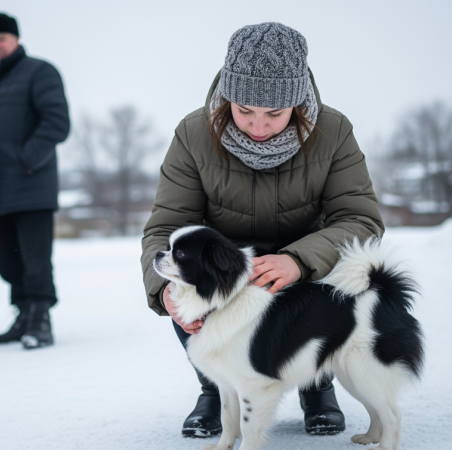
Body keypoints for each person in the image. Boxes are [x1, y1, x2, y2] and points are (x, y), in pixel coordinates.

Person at [140, 23, 384, 438]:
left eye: (274, 113)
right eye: (244, 110)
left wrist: (299, 260)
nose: (258, 125)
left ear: (297, 101)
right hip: (226, 273)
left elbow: (360, 220)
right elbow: (166, 225)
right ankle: (215, 388)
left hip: (307, 276)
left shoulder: (334, 131)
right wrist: (162, 289)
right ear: (227, 98)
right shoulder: (193, 134)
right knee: (189, 288)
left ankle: (317, 382)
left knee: (316, 300)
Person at [0, 12, 70, 350]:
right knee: (7, 260)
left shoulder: (40, 72)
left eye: (2, 39)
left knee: (35, 258)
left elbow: (57, 122)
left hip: (31, 186)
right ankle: (23, 315)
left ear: (15, 39)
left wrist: (27, 160)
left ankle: (40, 320)